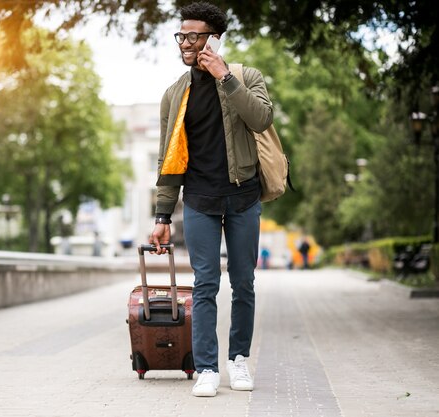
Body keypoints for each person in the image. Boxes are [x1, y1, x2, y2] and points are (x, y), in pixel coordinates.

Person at [149, 1, 274, 397]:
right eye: (181, 35)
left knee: (244, 283)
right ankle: (205, 366)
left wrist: (225, 78)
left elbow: (262, 119)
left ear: (214, 40)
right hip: (200, 200)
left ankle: (238, 360)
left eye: (194, 36)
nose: (185, 42)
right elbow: (168, 157)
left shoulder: (246, 76)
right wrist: (162, 216)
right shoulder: (175, 94)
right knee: (204, 284)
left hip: (243, 197)